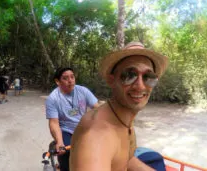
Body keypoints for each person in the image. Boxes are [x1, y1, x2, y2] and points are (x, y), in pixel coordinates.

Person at [70, 42, 168, 171]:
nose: (140, 86)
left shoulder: (124, 119)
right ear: (111, 80)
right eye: (129, 75)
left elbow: (125, 159)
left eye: (148, 77)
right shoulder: (97, 138)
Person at [45, 67, 99, 169]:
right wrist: (60, 142)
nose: (70, 81)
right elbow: (54, 123)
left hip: (84, 128)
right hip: (66, 130)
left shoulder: (83, 91)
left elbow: (98, 109)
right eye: (65, 78)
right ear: (57, 81)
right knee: (65, 154)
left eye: (72, 77)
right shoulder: (53, 98)